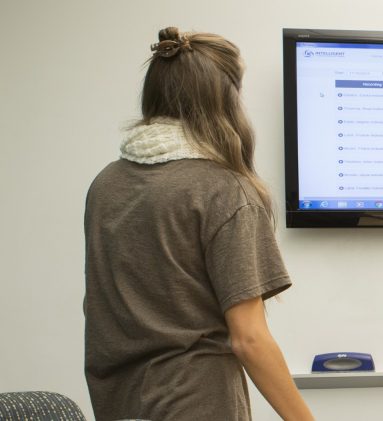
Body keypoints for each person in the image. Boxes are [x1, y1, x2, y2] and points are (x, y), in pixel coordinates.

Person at [84, 27, 314, 420]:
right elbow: (250, 339)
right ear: (225, 98)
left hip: (118, 402)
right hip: (196, 404)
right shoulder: (225, 190)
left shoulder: (106, 183)